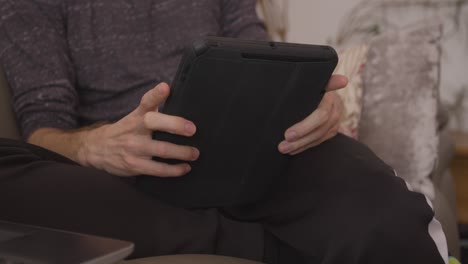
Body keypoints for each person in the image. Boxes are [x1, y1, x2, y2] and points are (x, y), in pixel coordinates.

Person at [0, 0, 448, 263]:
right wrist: (95, 146)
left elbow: (266, 56)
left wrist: (313, 98)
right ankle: (279, 241)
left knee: (385, 208)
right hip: (124, 172)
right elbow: (41, 128)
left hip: (257, 145)